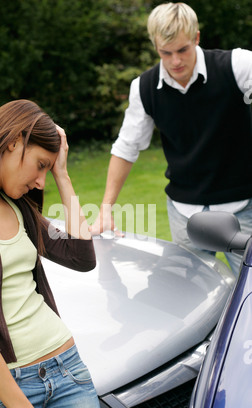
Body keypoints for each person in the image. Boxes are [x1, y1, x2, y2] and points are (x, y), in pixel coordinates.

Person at [0, 99, 105, 408]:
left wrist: (62, 175)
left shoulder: (17, 203)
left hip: (66, 370)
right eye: (40, 166)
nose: (40, 181)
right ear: (13, 142)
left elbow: (82, 257)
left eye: (46, 170)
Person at [91, 2, 252, 275]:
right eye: (165, 53)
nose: (175, 61)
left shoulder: (237, 65)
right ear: (155, 46)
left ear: (196, 38)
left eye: (182, 50)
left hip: (243, 208)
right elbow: (126, 147)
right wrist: (105, 208)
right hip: (185, 213)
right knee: (193, 300)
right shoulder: (143, 88)